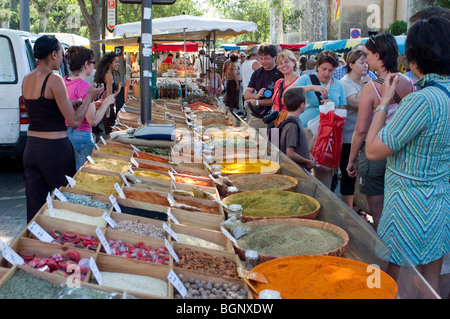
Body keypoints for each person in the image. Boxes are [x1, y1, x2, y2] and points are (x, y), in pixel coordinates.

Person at [364, 17, 450, 295]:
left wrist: (385, 101)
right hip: (439, 199)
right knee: (430, 278)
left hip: (407, 203)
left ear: (414, 55)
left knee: (389, 280)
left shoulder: (422, 100)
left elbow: (373, 149)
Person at [21, 35, 104, 222]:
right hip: (54, 150)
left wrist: (72, 103)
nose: (63, 58)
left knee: (34, 211)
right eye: (61, 53)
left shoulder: (26, 79)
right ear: (53, 54)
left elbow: (44, 111)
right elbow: (74, 122)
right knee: (65, 204)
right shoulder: (54, 79)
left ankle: (33, 243)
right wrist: (90, 96)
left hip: (31, 148)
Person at [346, 33, 415, 230]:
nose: (366, 59)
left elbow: (361, 130)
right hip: (400, 152)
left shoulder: (372, 88)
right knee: (396, 209)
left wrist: (352, 160)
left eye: (367, 54)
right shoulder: (409, 83)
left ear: (378, 55)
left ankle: (386, 256)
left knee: (379, 216)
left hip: (375, 153)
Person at [294, 50, 347, 189]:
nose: (327, 73)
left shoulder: (339, 85)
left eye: (331, 70)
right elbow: (289, 92)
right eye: (324, 69)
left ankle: (322, 202)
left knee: (324, 174)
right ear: (317, 67)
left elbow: (343, 109)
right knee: (300, 171)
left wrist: (333, 106)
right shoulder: (307, 79)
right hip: (306, 130)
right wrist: (312, 87)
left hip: (327, 135)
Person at [64, 46, 116, 171]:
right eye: (93, 63)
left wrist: (95, 104)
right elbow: (93, 120)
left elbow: (78, 106)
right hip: (81, 137)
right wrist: (106, 103)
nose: (94, 66)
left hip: (66, 135)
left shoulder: (64, 81)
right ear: (86, 64)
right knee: (82, 175)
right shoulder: (85, 86)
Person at [338, 49, 370, 212]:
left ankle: (359, 208)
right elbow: (356, 103)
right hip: (348, 138)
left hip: (365, 136)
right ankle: (347, 212)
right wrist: (366, 86)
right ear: (351, 65)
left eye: (366, 62)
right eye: (361, 62)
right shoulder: (345, 83)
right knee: (348, 176)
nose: (366, 65)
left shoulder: (366, 81)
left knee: (361, 176)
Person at [244, 43, 284, 130]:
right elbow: (246, 94)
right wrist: (256, 96)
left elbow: (277, 100)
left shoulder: (281, 74)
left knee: (271, 143)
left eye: (266, 58)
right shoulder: (257, 72)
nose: (263, 62)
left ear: (274, 57)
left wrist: (257, 102)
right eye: (261, 58)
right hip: (256, 117)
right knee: (252, 142)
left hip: (274, 119)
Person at [279, 86, 317, 171]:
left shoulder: (294, 121)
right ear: (302, 104)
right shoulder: (292, 125)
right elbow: (290, 153)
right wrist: (307, 162)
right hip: (296, 172)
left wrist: (308, 155)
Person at [94, 52, 122, 140]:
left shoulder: (105, 74)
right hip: (108, 109)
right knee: (109, 134)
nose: (118, 64)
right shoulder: (109, 76)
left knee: (108, 132)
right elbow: (109, 97)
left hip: (104, 107)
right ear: (110, 63)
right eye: (116, 62)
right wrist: (118, 90)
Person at [271, 50, 299, 126]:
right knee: (274, 138)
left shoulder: (299, 82)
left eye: (286, 62)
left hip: (290, 124)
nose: (283, 65)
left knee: (289, 138)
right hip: (276, 122)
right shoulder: (278, 82)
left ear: (293, 62)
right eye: (280, 63)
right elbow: (275, 103)